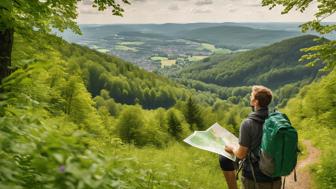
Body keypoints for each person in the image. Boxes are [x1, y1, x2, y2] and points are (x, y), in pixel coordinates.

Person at [219, 85, 281, 189]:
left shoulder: (248, 123)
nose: (250, 97)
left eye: (251, 96)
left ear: (255, 102)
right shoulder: (276, 121)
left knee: (223, 158)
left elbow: (241, 154)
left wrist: (232, 148)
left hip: (254, 179)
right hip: (275, 177)